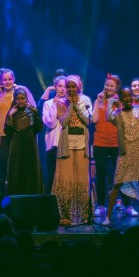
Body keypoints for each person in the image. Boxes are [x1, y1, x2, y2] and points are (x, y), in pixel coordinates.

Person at [104, 87, 139, 226]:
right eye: (124, 96)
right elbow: (107, 117)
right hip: (126, 152)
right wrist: (112, 102)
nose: (128, 99)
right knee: (117, 184)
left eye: (130, 96)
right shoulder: (118, 114)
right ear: (121, 99)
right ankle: (108, 217)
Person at [0, 68, 36, 196]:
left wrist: (24, 90)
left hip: (16, 137)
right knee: (2, 172)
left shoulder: (19, 95)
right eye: (4, 79)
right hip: (1, 138)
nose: (7, 82)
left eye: (10, 79)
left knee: (16, 170)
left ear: (14, 79)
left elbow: (33, 107)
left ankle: (16, 199)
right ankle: (2, 201)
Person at [92, 74, 138, 217]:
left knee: (121, 175)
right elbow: (94, 120)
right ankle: (100, 205)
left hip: (117, 143)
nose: (108, 88)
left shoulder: (121, 101)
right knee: (101, 175)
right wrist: (98, 102)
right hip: (100, 142)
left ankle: (128, 206)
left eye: (111, 85)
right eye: (107, 85)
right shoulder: (100, 100)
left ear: (117, 87)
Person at [53, 75, 93, 226]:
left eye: (73, 86)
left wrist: (77, 105)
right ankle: (65, 215)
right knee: (66, 179)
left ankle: (84, 215)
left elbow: (88, 121)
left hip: (82, 145)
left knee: (82, 180)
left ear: (78, 87)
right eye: (68, 86)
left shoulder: (86, 100)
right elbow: (63, 122)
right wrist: (70, 106)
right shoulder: (61, 102)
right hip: (67, 146)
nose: (70, 89)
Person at [4, 88, 44, 195]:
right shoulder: (12, 112)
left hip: (30, 145)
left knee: (31, 170)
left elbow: (39, 128)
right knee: (16, 170)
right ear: (14, 99)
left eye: (22, 98)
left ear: (26, 98)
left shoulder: (31, 111)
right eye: (17, 99)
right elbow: (7, 132)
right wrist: (10, 116)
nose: (20, 101)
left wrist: (35, 113)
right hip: (16, 146)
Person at [42, 76, 67, 194]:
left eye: (65, 86)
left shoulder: (70, 103)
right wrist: (55, 105)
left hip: (67, 144)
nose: (62, 89)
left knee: (65, 175)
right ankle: (48, 203)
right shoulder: (48, 104)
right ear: (55, 87)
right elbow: (51, 123)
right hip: (53, 145)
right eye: (60, 86)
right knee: (52, 174)